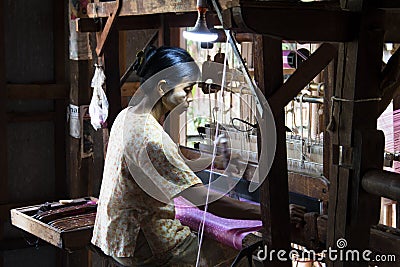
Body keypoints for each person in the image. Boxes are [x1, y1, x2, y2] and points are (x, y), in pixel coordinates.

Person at [91, 46, 305, 267]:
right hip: (142, 244)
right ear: (163, 87)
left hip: (116, 237)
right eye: (186, 89)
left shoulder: (127, 116)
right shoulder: (152, 138)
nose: (190, 98)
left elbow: (157, 166)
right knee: (244, 258)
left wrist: (213, 162)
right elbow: (204, 201)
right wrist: (271, 214)